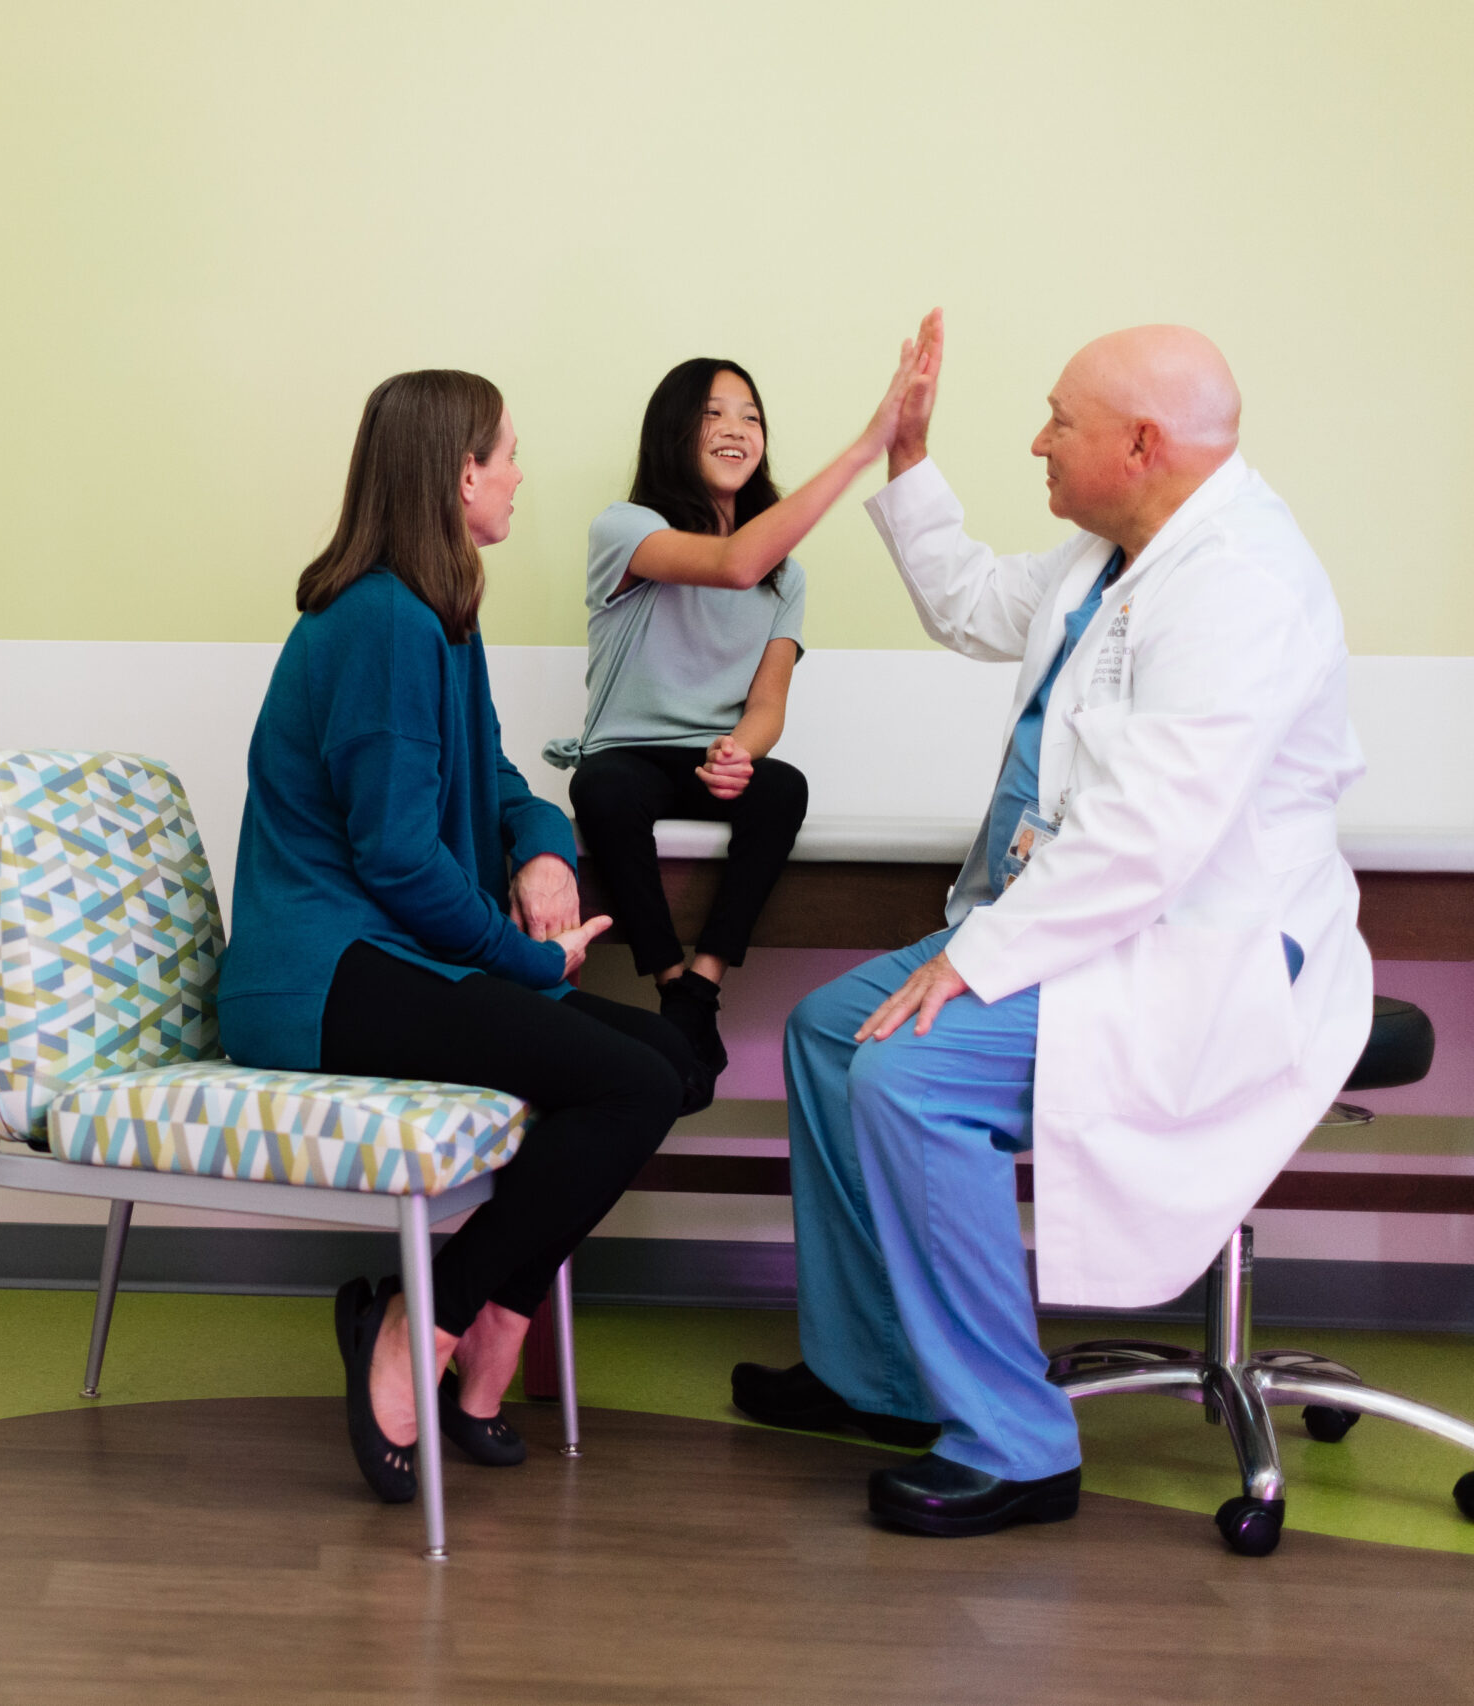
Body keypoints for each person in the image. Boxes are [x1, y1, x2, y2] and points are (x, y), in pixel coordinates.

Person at [732, 315, 1373, 1538]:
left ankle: (1017, 1443)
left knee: (909, 1078)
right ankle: (881, 1373)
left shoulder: (1239, 581)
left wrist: (973, 959)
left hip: (1198, 945)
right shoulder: (1111, 556)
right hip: (1077, 919)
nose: (1037, 440)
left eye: (1058, 423)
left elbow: (1149, 837)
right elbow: (977, 603)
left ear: (1139, 443)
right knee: (827, 1033)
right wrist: (907, 458)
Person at [216, 370, 699, 1504]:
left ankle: (488, 1319)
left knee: (670, 1065)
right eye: (509, 453)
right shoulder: (382, 616)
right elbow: (393, 854)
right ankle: (420, 1320)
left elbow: (490, 779)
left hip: (393, 956)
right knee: (628, 1085)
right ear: (458, 471)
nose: (522, 474)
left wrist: (541, 847)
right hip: (319, 974)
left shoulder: (438, 612)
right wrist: (526, 955)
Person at [549, 343, 931, 1080]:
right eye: (712, 414)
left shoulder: (786, 577)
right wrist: (864, 449)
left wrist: (739, 753)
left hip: (708, 754)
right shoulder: (624, 529)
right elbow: (732, 565)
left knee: (782, 785)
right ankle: (669, 984)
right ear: (672, 433)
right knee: (601, 788)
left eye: (750, 416)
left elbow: (767, 703)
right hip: (628, 751)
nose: (736, 428)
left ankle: (704, 982)